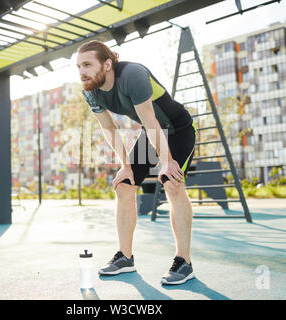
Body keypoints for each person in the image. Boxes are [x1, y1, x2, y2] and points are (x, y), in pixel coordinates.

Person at [76, 40, 197, 285]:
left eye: (87, 64)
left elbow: (151, 120)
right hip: (152, 131)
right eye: (78, 66)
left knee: (172, 183)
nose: (82, 72)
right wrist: (126, 166)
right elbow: (108, 128)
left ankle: (184, 262)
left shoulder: (132, 75)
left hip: (178, 128)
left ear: (107, 64)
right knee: (124, 184)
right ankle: (125, 257)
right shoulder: (90, 91)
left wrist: (167, 162)